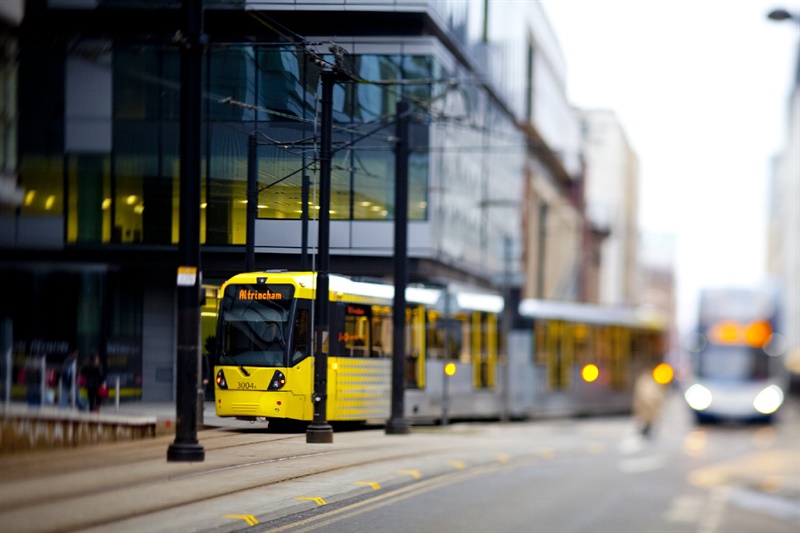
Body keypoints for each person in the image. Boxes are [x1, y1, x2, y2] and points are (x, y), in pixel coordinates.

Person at [632, 368, 667, 438]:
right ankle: (645, 431)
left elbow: (657, 393)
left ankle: (647, 431)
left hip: (650, 404)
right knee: (645, 419)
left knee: (649, 419)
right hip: (646, 404)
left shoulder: (650, 381)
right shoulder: (644, 380)